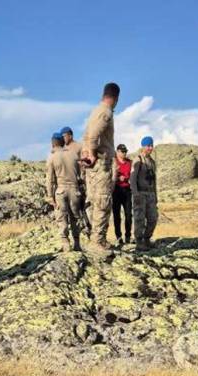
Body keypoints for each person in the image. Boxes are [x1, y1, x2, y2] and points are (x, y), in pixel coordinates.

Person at [81, 82, 120, 254]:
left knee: (95, 200)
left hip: (94, 166)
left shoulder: (95, 110)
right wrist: (93, 153)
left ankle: (95, 239)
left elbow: (88, 134)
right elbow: (94, 135)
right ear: (116, 98)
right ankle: (97, 241)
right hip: (101, 163)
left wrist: (88, 154)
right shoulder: (106, 112)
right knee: (103, 201)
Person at [46, 132, 83, 252]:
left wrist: (50, 195)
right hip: (75, 189)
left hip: (61, 190)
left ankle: (65, 243)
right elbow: (81, 175)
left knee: (62, 217)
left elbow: (50, 180)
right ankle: (77, 243)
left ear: (53, 143)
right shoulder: (73, 155)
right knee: (75, 217)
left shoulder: (52, 157)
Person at [61, 126, 91, 239]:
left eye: (64, 136)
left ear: (70, 135)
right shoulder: (62, 149)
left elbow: (86, 160)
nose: (63, 138)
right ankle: (78, 232)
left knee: (82, 208)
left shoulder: (79, 146)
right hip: (67, 183)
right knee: (70, 210)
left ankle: (88, 230)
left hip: (79, 182)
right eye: (62, 136)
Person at [130, 137, 158, 251]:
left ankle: (147, 238)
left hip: (150, 194)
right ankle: (139, 241)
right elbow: (132, 178)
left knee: (153, 218)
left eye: (151, 145)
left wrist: (156, 196)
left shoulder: (152, 162)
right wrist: (135, 193)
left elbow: (154, 180)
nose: (150, 148)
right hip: (140, 193)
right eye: (148, 146)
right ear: (143, 146)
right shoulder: (137, 160)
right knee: (139, 219)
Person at [112, 144, 132, 246]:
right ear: (117, 151)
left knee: (128, 215)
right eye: (122, 151)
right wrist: (117, 178)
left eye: (125, 151)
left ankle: (128, 236)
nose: (124, 153)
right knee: (117, 216)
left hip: (127, 190)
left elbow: (132, 175)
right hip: (116, 190)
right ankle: (119, 237)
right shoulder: (113, 162)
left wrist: (128, 178)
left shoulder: (129, 162)